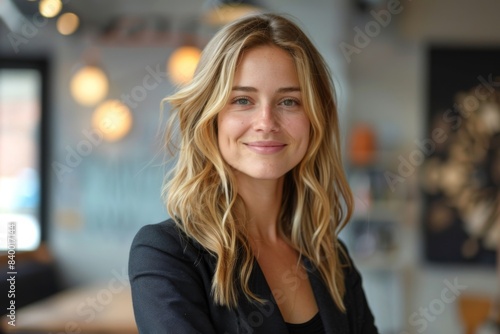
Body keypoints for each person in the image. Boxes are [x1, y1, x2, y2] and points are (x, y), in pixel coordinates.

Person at [129, 13, 378, 334]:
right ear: (211, 118)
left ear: (315, 119)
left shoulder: (333, 260)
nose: (266, 122)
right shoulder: (166, 254)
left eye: (289, 101)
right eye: (242, 100)